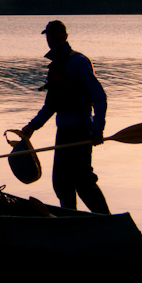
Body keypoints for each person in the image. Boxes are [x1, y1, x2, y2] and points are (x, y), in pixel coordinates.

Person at [20, 20, 110, 214]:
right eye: (48, 36)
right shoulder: (57, 66)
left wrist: (98, 130)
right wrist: (31, 127)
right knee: (61, 183)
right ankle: (71, 220)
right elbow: (50, 106)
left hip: (80, 132)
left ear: (65, 37)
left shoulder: (77, 62)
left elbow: (100, 97)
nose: (50, 39)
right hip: (63, 133)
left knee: (83, 182)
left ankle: (107, 221)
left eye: (54, 35)